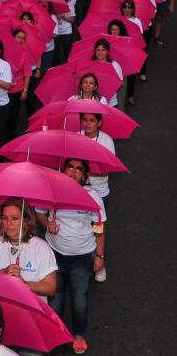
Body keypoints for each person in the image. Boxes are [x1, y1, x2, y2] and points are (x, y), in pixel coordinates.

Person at [35, 158, 106, 355]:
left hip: (83, 257)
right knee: (55, 297)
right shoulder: (51, 191)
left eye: (79, 169)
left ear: (84, 174)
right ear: (63, 169)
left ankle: (78, 335)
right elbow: (40, 212)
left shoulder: (92, 196)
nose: (73, 172)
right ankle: (56, 333)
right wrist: (46, 224)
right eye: (70, 167)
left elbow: (99, 228)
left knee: (79, 298)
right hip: (54, 254)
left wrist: (99, 255)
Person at [0, 198, 57, 303]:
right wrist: (2, 274)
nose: (8, 223)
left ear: (26, 221)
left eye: (14, 218)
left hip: (30, 310)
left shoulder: (41, 248)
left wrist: (24, 284)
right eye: (5, 218)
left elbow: (51, 288)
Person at [79, 112, 114, 283]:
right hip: (78, 191)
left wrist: (84, 171)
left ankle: (100, 261)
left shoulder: (106, 141)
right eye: (84, 120)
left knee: (97, 229)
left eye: (92, 120)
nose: (87, 123)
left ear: (99, 123)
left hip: (99, 193)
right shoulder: (76, 137)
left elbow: (107, 168)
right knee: (81, 226)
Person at [90, 39, 122, 107]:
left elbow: (120, 85)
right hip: (93, 102)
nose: (100, 52)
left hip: (111, 103)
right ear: (95, 51)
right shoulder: (90, 65)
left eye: (103, 50)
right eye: (98, 50)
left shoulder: (115, 65)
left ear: (107, 52)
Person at [53, 0, 75, 64]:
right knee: (56, 53)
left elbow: (73, 20)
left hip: (67, 32)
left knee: (67, 52)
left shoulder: (69, 4)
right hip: (57, 32)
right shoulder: (52, 4)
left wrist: (63, 16)